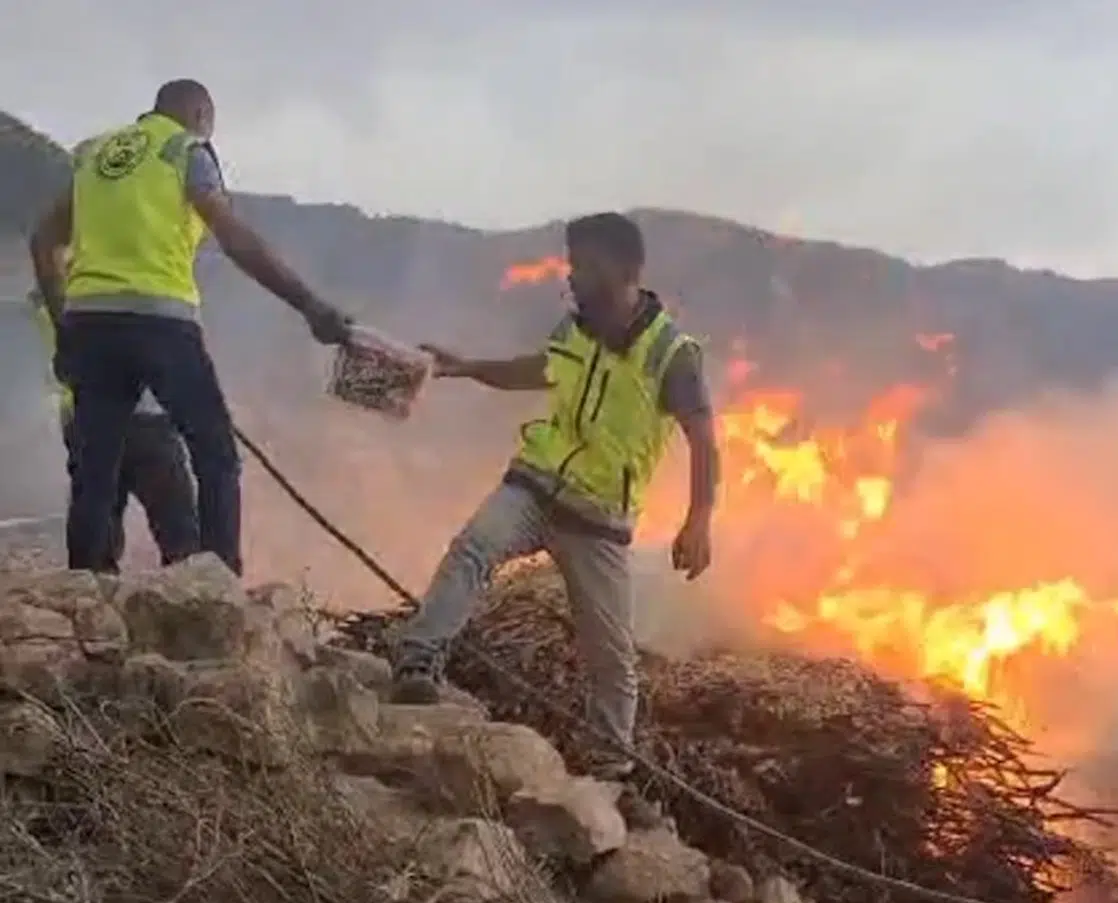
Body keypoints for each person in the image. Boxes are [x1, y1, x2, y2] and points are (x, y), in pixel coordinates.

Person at [400, 212, 721, 780]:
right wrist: (467, 368)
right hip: (535, 484)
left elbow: (703, 438)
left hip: (598, 518)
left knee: (610, 653)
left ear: (623, 270)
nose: (571, 275)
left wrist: (699, 521)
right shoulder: (574, 329)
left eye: (584, 265)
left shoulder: (672, 352)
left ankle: (607, 763)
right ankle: (418, 664)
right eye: (572, 263)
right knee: (473, 549)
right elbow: (537, 371)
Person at [28, 78, 349, 576]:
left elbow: (43, 239)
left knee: (94, 473)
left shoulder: (93, 154)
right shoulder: (186, 149)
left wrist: (64, 320)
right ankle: (219, 584)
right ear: (200, 114)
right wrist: (309, 304)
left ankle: (82, 593)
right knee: (215, 453)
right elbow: (234, 238)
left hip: (91, 323)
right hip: (159, 320)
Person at [28, 277, 200, 571]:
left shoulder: (56, 302)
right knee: (180, 536)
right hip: (145, 423)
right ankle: (194, 604)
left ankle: (96, 608)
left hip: (88, 425)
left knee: (96, 537)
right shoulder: (119, 293)